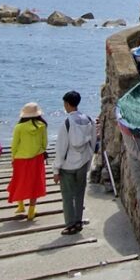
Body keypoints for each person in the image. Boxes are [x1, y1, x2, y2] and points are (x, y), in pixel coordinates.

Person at [53, 91, 96, 236]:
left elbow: (61, 148)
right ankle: (78, 221)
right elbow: (93, 142)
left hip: (68, 165)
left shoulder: (66, 123)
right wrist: (89, 161)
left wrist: (56, 170)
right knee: (79, 194)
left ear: (66, 104)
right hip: (83, 162)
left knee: (67, 196)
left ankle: (70, 224)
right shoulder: (88, 119)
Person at [7, 102, 48, 220]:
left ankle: (20, 205)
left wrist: (13, 157)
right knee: (35, 183)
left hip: (20, 158)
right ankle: (31, 210)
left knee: (19, 181)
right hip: (37, 158)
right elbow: (44, 143)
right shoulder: (42, 126)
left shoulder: (19, 127)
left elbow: (14, 145)